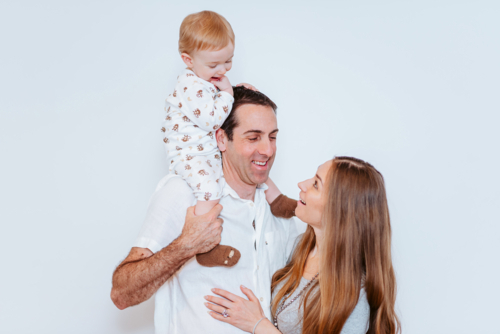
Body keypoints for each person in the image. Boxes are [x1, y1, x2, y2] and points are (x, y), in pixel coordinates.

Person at [111, 86, 300, 334]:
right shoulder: (183, 193)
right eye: (253, 137)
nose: (267, 150)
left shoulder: (279, 212)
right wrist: (186, 245)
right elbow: (121, 294)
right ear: (221, 139)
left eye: (272, 137)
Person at [204, 157, 401, 334]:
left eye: (316, 184)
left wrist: (258, 325)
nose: (302, 184)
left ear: (339, 209)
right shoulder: (302, 247)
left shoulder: (356, 296)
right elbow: (261, 179)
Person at [163, 10, 286, 268]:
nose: (222, 70)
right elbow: (211, 118)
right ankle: (205, 246)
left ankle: (279, 201)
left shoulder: (203, 80)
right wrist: (229, 94)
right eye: (214, 65)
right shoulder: (188, 85)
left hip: (206, 150)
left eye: (228, 62)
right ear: (188, 60)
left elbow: (215, 96)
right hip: (190, 155)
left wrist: (240, 91)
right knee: (209, 188)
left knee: (254, 163)